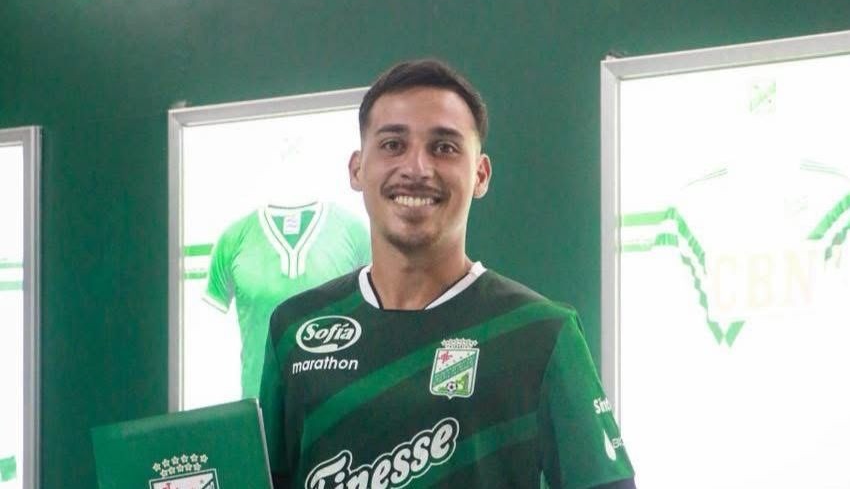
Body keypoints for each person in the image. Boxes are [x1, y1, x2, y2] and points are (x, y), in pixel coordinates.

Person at [259, 59, 636, 488]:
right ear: (357, 169)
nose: (417, 168)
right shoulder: (294, 329)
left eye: (444, 147)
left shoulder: (542, 333)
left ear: (480, 174)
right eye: (392, 145)